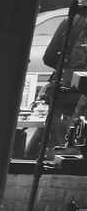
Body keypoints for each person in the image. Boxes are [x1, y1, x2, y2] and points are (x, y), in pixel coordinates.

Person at [42, 12, 87, 153]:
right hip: (81, 100)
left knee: (61, 150)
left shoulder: (70, 23)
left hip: (65, 94)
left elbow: (49, 57)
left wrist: (68, 71)